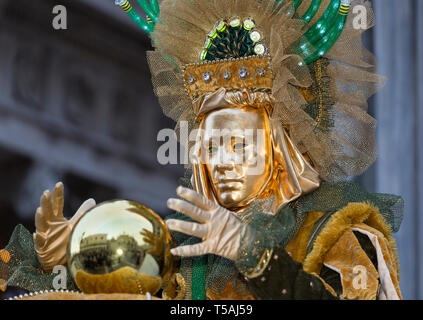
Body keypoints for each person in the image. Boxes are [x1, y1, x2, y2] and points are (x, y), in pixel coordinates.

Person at [0, 0, 403, 300]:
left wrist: (254, 254)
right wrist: (66, 262)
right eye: (211, 146)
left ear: (282, 147)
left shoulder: (336, 234)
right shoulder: (185, 247)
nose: (223, 162)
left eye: (240, 144)